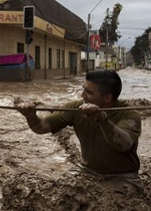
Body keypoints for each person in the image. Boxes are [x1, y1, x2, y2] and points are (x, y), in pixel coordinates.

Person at [15, 69, 143, 195]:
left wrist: (102, 119)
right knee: (62, 193)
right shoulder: (76, 108)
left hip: (123, 176)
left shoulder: (130, 115)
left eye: (89, 92)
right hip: (87, 171)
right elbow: (42, 127)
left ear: (107, 98)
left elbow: (123, 144)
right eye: (83, 89)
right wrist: (31, 116)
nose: (82, 95)